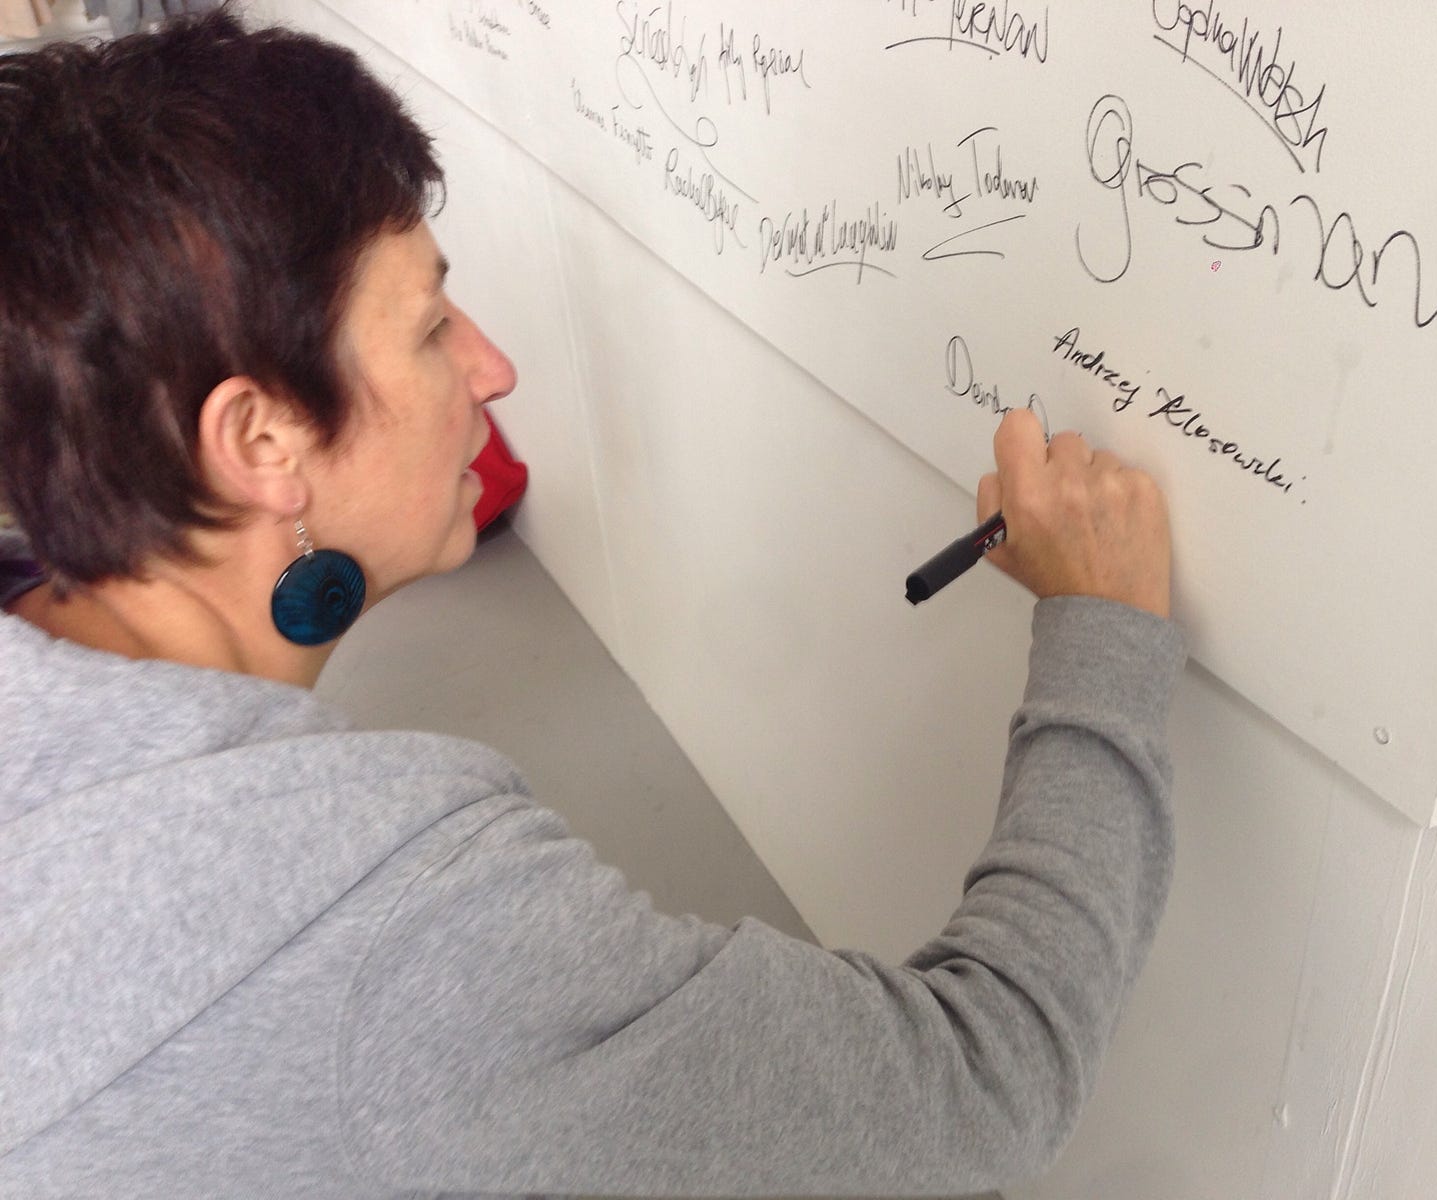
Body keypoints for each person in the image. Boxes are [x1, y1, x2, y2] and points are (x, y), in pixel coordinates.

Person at [0, 9, 1184, 1199]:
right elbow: (983, 1083)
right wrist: (1105, 629)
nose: (492, 369)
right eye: (430, 329)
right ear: (262, 438)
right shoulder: (410, 943)